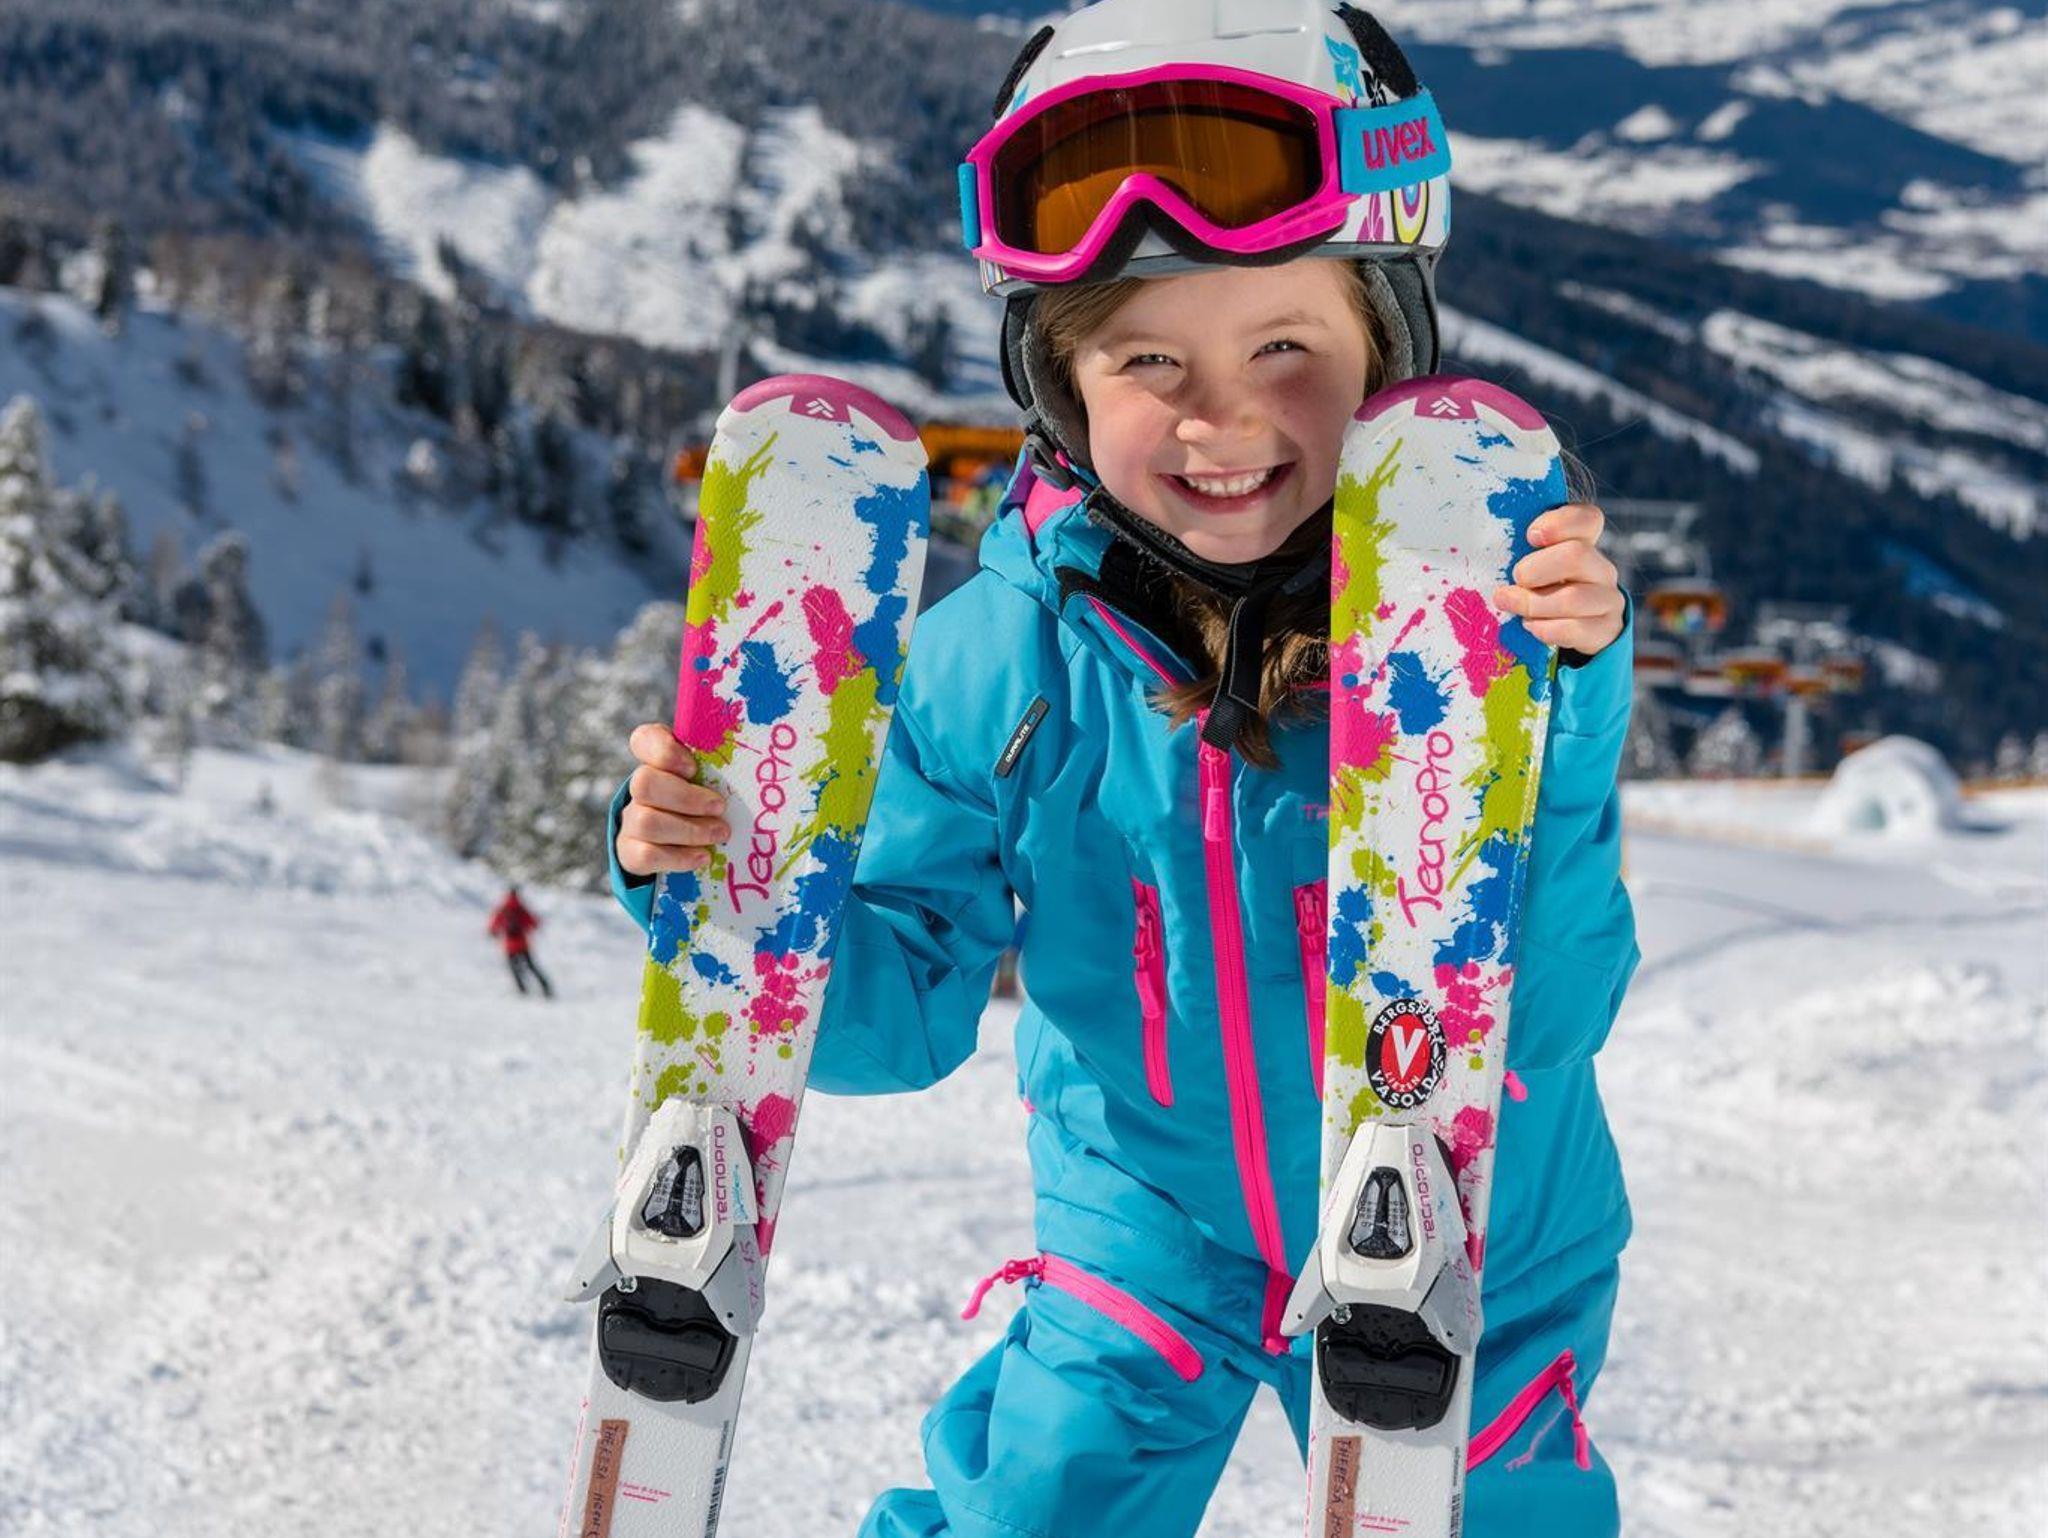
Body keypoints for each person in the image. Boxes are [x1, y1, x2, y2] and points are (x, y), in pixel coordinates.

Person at [608, 4, 1637, 1533]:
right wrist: (721, 897)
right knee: (1033, 1505)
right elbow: (900, 1016)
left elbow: (1549, 1005)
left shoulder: (1477, 653)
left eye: (1284, 346)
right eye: (1149, 357)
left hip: (1477, 1212)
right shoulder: (996, 666)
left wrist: (1566, 702)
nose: (1222, 414)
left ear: (1385, 347)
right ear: (1061, 387)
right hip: (1150, 1226)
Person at [488, 885, 553, 998]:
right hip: (523, 944)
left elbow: (493, 926)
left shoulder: (503, 909)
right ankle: (545, 987)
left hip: (509, 946)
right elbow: (534, 923)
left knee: (514, 969)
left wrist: (493, 932)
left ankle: (522, 990)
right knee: (532, 967)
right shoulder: (521, 908)